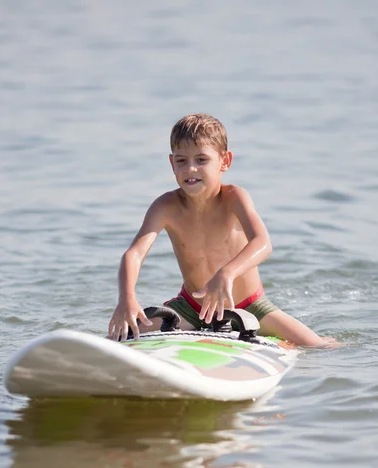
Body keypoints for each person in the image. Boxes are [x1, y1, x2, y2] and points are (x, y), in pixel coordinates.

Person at [108, 113, 333, 347]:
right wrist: (127, 298)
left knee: (319, 347)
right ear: (171, 163)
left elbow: (263, 242)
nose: (191, 169)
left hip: (249, 306)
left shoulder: (235, 198)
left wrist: (227, 273)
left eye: (201, 160)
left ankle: (286, 344)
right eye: (181, 160)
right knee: (117, 341)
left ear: (225, 161)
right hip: (191, 308)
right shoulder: (165, 206)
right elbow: (134, 254)